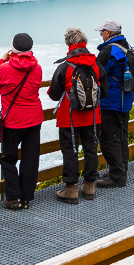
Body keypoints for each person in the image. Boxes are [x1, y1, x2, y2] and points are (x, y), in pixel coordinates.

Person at [48, 28, 106, 202]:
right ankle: (89, 186)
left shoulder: (65, 67)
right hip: (93, 117)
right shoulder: (95, 64)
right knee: (91, 150)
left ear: (68, 44)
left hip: (69, 119)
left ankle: (71, 189)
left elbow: (53, 94)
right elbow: (105, 91)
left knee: (70, 152)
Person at [0, 33, 45, 208]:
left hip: (13, 121)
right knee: (30, 159)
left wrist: (2, 61)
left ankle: (13, 198)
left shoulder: (5, 68)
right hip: (34, 119)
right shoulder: (37, 68)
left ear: (13, 48)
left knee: (9, 159)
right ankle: (26, 198)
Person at [94, 23, 134, 186]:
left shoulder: (109, 50)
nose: (101, 35)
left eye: (102, 32)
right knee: (121, 136)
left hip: (111, 102)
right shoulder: (127, 46)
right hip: (125, 100)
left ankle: (117, 176)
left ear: (108, 32)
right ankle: (120, 169)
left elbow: (96, 72)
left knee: (109, 139)